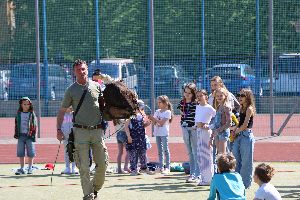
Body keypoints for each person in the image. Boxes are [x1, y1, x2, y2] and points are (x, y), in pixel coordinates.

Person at [56, 59, 108, 200]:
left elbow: (104, 107)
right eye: (78, 69)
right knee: (83, 167)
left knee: (103, 165)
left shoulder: (97, 86)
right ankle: (88, 195)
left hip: (97, 131)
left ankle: (94, 189)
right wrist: (59, 130)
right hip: (80, 132)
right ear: (74, 72)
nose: (82, 71)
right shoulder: (71, 90)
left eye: (83, 69)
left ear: (87, 70)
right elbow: (62, 111)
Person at [232, 88, 256, 189]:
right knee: (236, 159)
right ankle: (237, 181)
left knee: (246, 161)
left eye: (242, 95)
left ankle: (245, 184)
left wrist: (235, 131)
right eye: (239, 95)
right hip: (239, 135)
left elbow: (245, 125)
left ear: (248, 97)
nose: (239, 97)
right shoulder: (241, 108)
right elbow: (239, 123)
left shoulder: (249, 108)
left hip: (246, 136)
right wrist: (233, 130)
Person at [177, 83, 198, 183]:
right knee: (189, 152)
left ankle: (197, 173)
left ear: (193, 93)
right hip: (185, 128)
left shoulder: (196, 103)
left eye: (189, 93)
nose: (187, 94)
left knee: (195, 151)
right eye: (185, 92)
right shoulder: (182, 102)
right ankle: (192, 173)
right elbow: (181, 112)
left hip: (194, 128)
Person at [124, 100, 152, 175]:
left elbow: (142, 125)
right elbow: (126, 127)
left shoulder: (141, 115)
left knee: (142, 153)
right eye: (141, 107)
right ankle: (134, 169)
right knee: (133, 154)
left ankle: (144, 168)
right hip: (133, 137)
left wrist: (147, 123)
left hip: (141, 138)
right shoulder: (131, 115)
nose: (142, 108)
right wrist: (129, 136)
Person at [195, 89, 216, 186]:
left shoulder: (209, 108)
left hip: (206, 133)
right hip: (199, 132)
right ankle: (204, 178)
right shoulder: (198, 107)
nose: (199, 97)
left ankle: (208, 179)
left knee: (206, 155)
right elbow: (197, 120)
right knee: (200, 155)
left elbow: (217, 119)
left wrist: (208, 125)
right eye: (197, 96)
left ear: (206, 96)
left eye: (201, 95)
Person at [148, 95, 173, 174]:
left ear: (165, 103)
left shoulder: (168, 112)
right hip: (158, 133)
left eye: (160, 102)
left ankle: (168, 167)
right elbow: (154, 123)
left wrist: (154, 119)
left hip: (164, 133)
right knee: (159, 150)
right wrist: (152, 119)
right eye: (157, 102)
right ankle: (161, 167)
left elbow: (162, 123)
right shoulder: (157, 111)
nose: (158, 104)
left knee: (166, 150)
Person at [14, 97, 37, 175]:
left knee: (31, 152)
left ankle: (30, 167)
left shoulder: (31, 113)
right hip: (21, 136)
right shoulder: (19, 113)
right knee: (21, 152)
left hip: (29, 136)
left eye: (28, 104)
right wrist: (16, 133)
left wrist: (33, 134)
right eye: (24, 104)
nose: (26, 106)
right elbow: (16, 123)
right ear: (21, 104)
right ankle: (22, 168)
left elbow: (34, 124)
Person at [210, 88, 232, 155]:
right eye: (217, 96)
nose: (219, 97)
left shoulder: (226, 107)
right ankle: (220, 165)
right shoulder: (219, 106)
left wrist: (219, 130)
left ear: (225, 96)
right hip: (217, 132)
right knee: (219, 154)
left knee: (222, 154)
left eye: (221, 96)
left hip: (223, 132)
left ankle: (225, 165)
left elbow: (229, 123)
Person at [61, 106, 78, 175]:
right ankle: (67, 167)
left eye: (71, 106)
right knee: (66, 151)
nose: (70, 108)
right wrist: (61, 133)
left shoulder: (75, 114)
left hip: (74, 136)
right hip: (65, 136)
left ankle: (74, 167)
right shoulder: (61, 115)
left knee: (74, 151)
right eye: (68, 106)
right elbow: (59, 125)